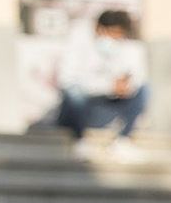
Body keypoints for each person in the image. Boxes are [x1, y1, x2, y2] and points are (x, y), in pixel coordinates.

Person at [55, 9, 148, 160]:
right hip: (78, 108)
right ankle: (79, 141)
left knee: (143, 89)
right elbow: (66, 80)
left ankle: (122, 142)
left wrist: (126, 86)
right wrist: (108, 86)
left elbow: (135, 76)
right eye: (111, 33)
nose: (114, 39)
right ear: (99, 28)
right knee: (74, 93)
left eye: (119, 35)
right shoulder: (78, 40)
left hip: (107, 104)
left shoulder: (127, 48)